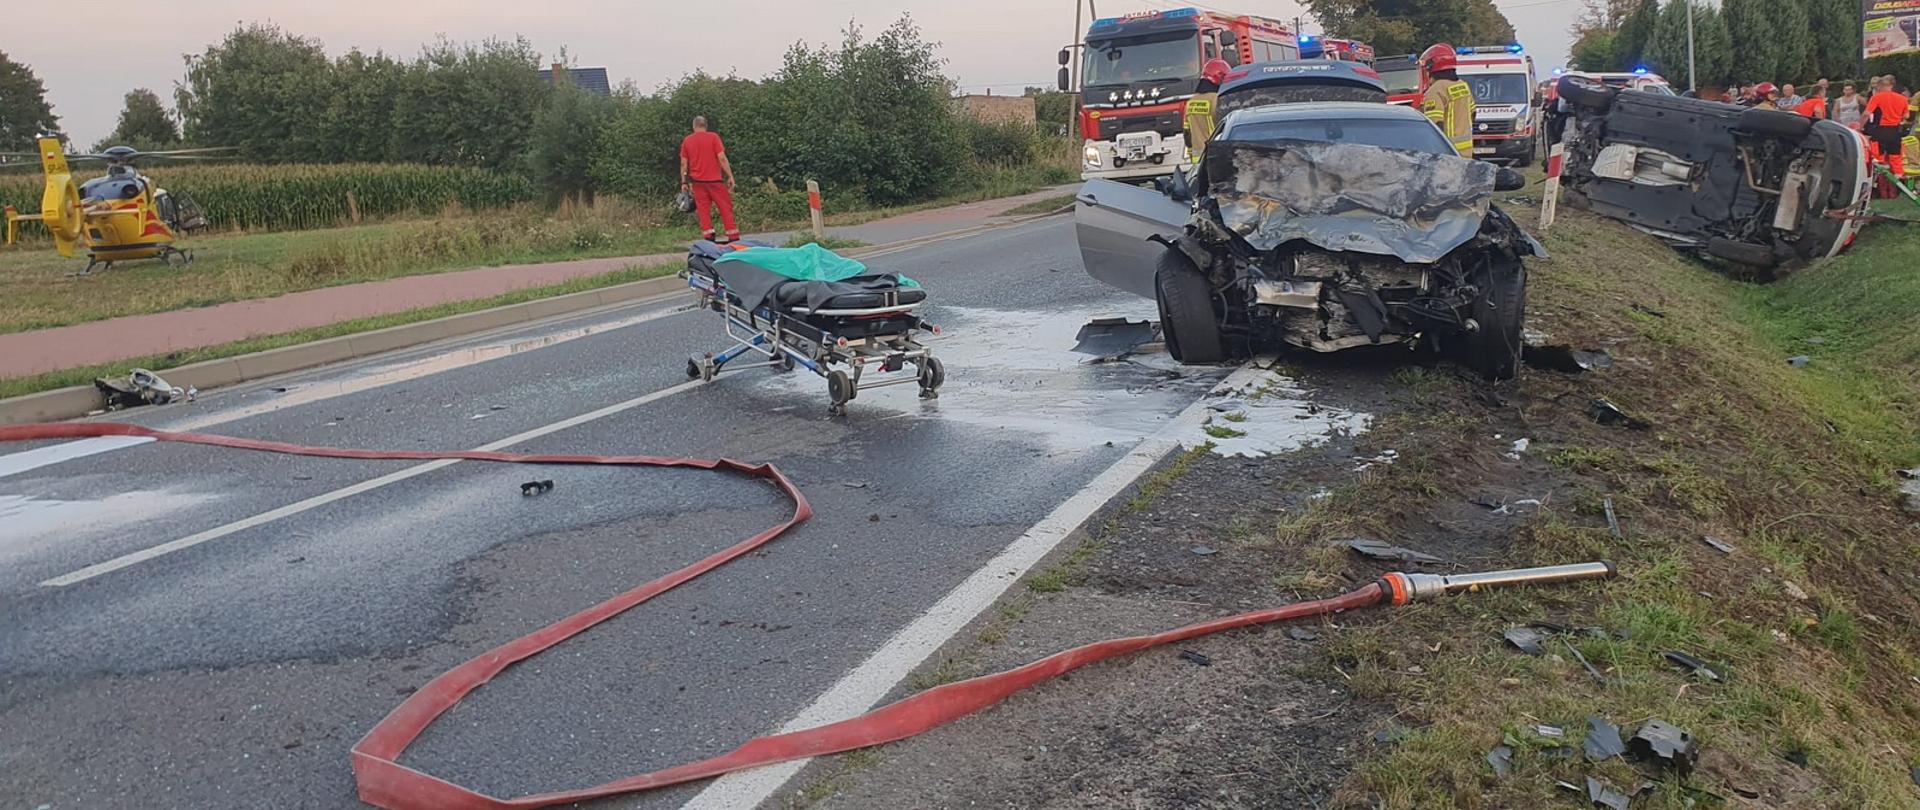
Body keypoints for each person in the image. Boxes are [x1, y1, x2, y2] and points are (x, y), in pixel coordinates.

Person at [679, 116, 739, 243]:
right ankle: (733, 236)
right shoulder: (713, 137)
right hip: (715, 181)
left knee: (703, 210)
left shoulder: (687, 141)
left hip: (697, 183)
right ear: (706, 126)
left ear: (694, 126)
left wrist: (684, 181)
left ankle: (709, 237)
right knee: (725, 207)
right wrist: (730, 175)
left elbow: (684, 164)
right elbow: (722, 158)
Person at [1419, 44, 1474, 157]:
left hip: (1448, 153)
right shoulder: (1463, 85)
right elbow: (1473, 113)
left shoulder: (1435, 90)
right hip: (1467, 151)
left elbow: (1435, 125)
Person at [1183, 58, 1230, 162]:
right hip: (1216, 157)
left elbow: (1187, 133)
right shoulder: (1218, 99)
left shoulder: (1191, 101)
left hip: (1197, 160)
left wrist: (1191, 153)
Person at [1864, 76, 1910, 176]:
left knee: (1878, 156)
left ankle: (1880, 176)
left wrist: (1861, 126)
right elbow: (1906, 115)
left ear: (1882, 86)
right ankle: (1898, 176)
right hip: (1896, 130)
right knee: (1895, 155)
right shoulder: (1903, 99)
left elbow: (1867, 113)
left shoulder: (1877, 97)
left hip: (1881, 130)